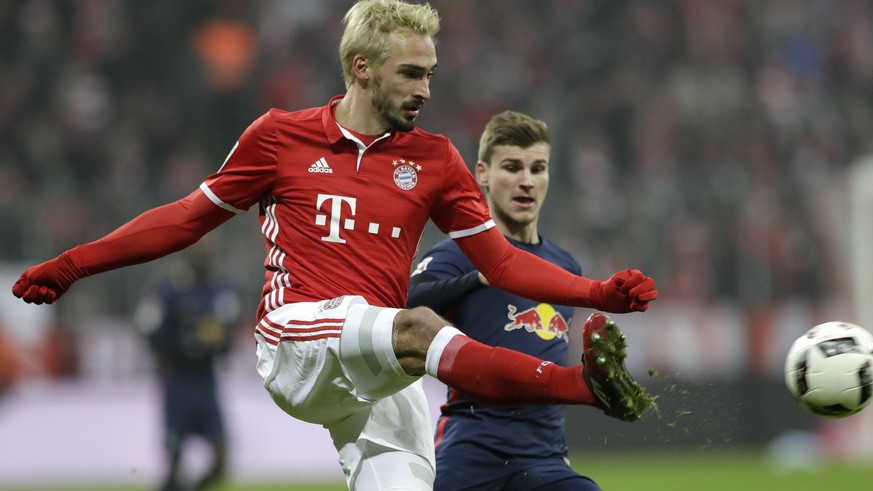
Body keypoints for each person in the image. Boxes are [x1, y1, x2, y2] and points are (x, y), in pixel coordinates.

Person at [11, 1, 658, 489]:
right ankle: (582, 386)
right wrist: (72, 264)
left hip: (373, 361)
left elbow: (504, 262)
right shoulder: (279, 137)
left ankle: (581, 385)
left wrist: (597, 292)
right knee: (418, 327)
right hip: (294, 338)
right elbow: (186, 218)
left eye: (430, 74)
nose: (425, 90)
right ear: (362, 67)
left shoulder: (435, 159)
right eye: (410, 73)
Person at [409, 111, 624, 490]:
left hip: (543, 458)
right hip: (472, 449)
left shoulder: (565, 265)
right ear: (483, 173)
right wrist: (478, 277)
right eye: (512, 167)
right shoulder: (459, 253)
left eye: (537, 168)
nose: (527, 181)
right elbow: (406, 305)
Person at [135, 241, 240, 491]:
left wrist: (217, 341)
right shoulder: (170, 289)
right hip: (178, 381)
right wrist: (184, 341)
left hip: (206, 382)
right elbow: (150, 330)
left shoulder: (221, 291)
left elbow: (229, 342)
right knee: (174, 460)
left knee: (221, 458)